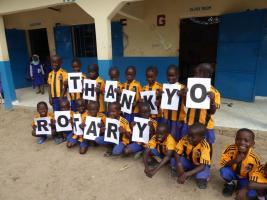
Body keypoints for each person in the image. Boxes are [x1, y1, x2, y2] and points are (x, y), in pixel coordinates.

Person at [185, 63, 221, 147]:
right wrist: (184, 94)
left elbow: (212, 112)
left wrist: (212, 100)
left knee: (207, 145)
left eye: (199, 73)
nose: (195, 75)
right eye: (195, 73)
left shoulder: (214, 92)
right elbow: (186, 104)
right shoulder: (190, 88)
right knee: (189, 142)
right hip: (191, 122)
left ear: (208, 75)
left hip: (206, 125)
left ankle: (207, 160)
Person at [220, 128, 261, 199]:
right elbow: (224, 164)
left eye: (246, 140)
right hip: (232, 172)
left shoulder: (254, 159)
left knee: (251, 194)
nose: (242, 142)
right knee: (224, 171)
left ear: (252, 143)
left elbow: (254, 177)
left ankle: (240, 186)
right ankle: (230, 184)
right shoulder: (230, 148)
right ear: (235, 139)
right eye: (238, 139)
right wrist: (235, 160)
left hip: (244, 178)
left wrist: (244, 189)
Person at [171, 122, 211, 189]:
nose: (189, 138)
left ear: (202, 138)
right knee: (173, 160)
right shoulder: (185, 139)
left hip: (199, 165)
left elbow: (202, 166)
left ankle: (201, 177)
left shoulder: (205, 146)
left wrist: (186, 174)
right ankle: (184, 170)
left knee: (201, 177)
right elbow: (176, 152)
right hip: (189, 161)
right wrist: (179, 164)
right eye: (189, 135)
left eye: (193, 137)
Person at [162, 65, 187, 141]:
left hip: (177, 118)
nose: (170, 78)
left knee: (175, 136)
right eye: (169, 76)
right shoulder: (164, 87)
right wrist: (159, 96)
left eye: (173, 76)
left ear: (178, 75)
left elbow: (186, 104)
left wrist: (183, 95)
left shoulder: (182, 88)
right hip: (166, 117)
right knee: (166, 135)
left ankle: (175, 151)